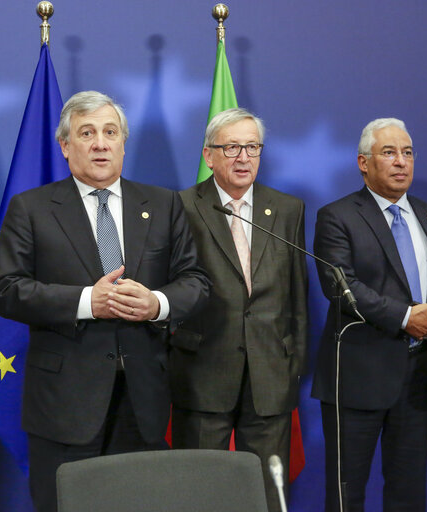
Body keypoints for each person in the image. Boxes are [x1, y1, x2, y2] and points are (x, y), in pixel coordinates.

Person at [0, 90, 210, 512]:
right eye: (86, 133)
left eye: (111, 132)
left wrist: (156, 304)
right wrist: (90, 301)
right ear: (65, 146)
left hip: (143, 399)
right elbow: (6, 289)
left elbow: (196, 282)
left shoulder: (163, 204)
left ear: (124, 142)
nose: (100, 143)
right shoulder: (32, 208)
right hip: (64, 403)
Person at [312, 118, 427, 511]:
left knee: (408, 493)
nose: (401, 162)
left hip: (418, 375)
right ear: (363, 163)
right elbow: (341, 287)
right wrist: (405, 317)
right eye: (389, 153)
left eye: (407, 153)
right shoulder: (337, 216)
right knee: (346, 494)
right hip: (356, 377)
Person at [168, 108, 308, 512]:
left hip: (271, 374)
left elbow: (297, 293)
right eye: (231, 147)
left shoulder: (287, 209)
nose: (243, 157)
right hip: (201, 372)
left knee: (265, 492)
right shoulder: (181, 207)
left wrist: (292, 361)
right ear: (209, 156)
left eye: (252, 146)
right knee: (198, 492)